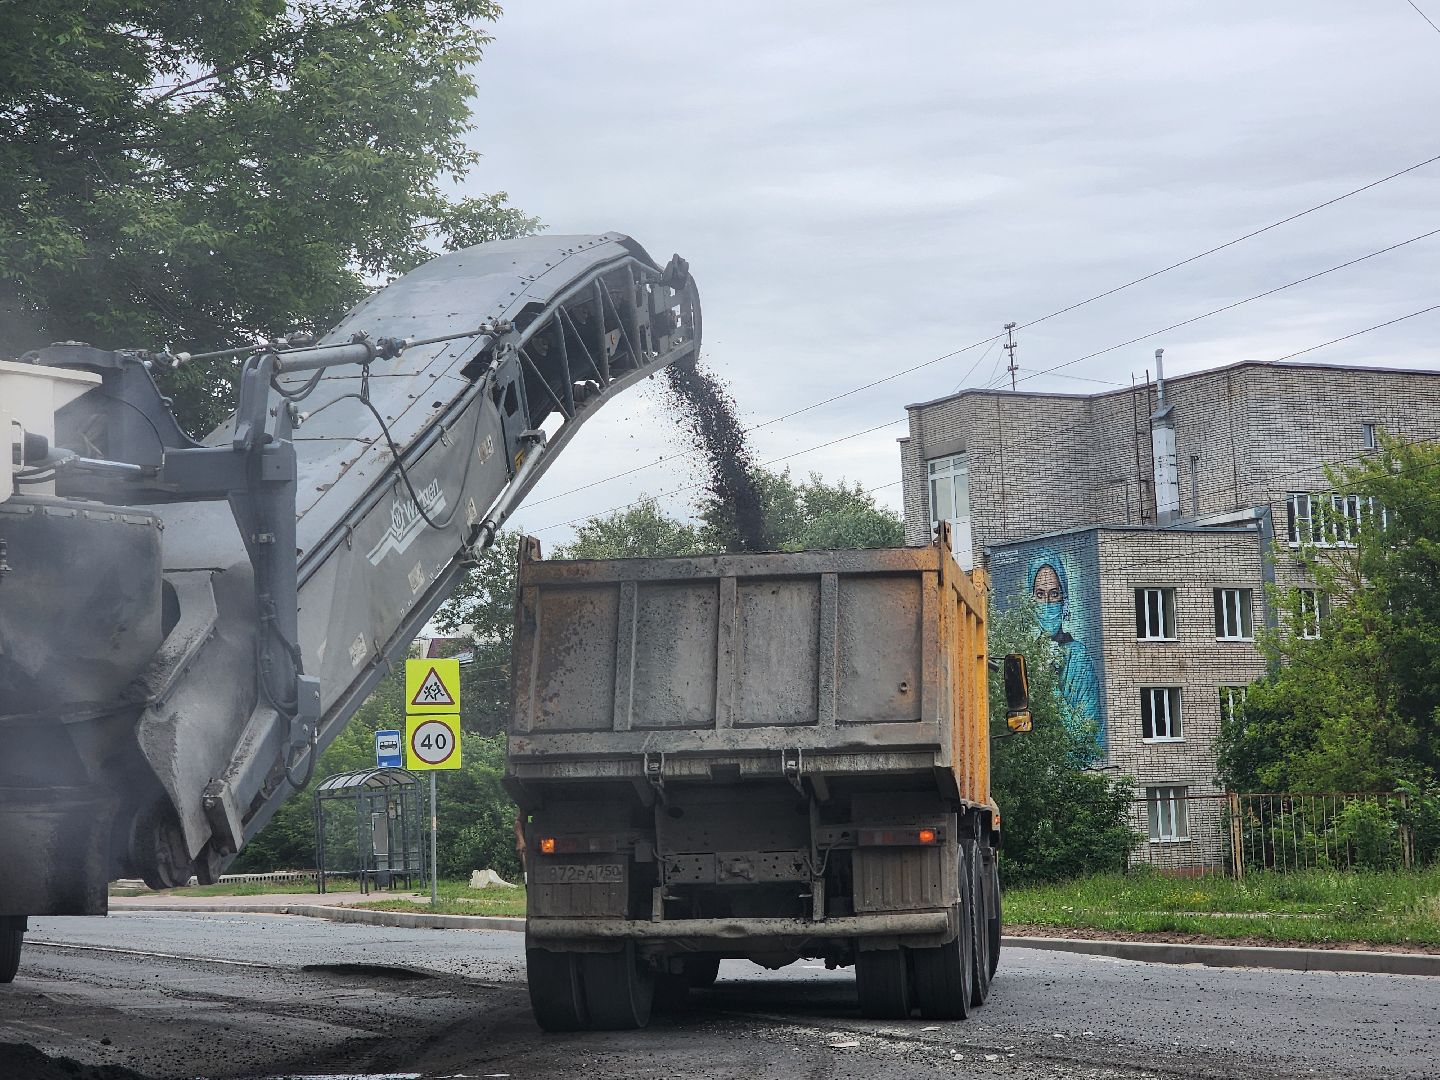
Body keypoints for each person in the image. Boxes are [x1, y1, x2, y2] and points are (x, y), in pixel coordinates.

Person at [1027, 551, 1102, 747]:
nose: (1047, 603)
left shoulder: (1078, 656)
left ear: (1064, 600)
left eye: (1054, 594)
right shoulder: (1024, 655)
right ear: (1031, 600)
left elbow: (1087, 736)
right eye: (1040, 595)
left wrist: (1049, 684)